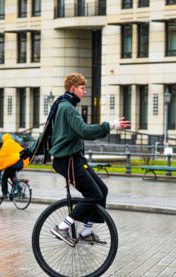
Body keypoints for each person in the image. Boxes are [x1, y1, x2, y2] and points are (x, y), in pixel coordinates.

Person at [47, 73, 129, 245]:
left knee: (102, 191)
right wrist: (110, 126)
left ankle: (86, 232)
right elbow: (84, 131)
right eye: (82, 89)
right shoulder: (67, 108)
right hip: (68, 160)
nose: (85, 92)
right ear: (73, 89)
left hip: (74, 159)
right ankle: (62, 227)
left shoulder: (63, 105)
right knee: (93, 194)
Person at [0, 133, 33, 197]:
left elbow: (1, 156)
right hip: (20, 163)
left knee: (4, 177)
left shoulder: (6, 144)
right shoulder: (14, 143)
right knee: (11, 176)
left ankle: (5, 193)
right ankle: (18, 189)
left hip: (14, 164)